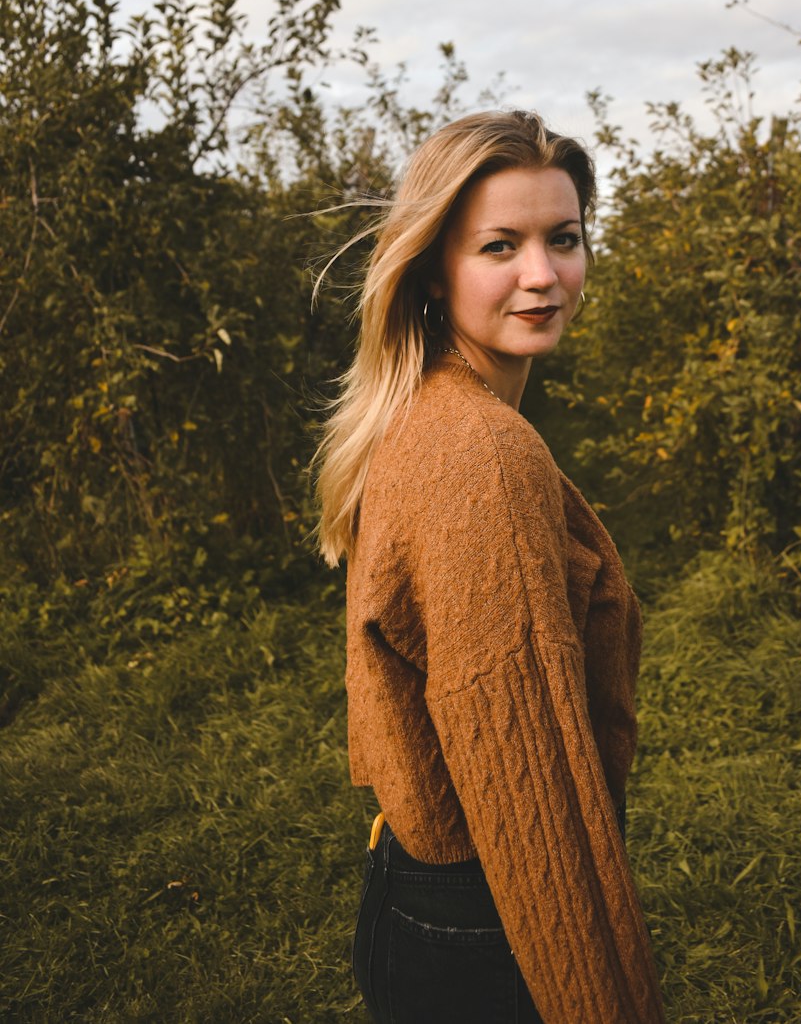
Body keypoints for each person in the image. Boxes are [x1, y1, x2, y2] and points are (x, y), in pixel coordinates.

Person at [313, 110, 665, 1024]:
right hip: (489, 913)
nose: (543, 275)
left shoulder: (428, 409)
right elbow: (528, 788)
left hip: (425, 885)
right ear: (436, 265)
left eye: (565, 239)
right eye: (500, 246)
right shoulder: (479, 455)